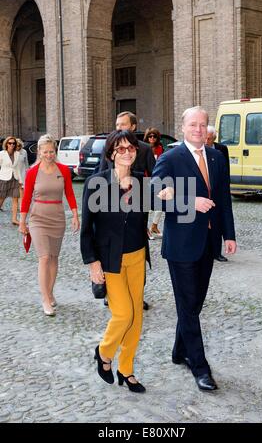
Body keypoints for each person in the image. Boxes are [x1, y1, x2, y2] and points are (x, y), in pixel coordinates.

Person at [151, 106, 237, 391]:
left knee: (193, 304)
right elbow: (155, 196)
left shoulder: (215, 156)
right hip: (181, 246)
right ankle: (199, 366)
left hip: (209, 243)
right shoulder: (171, 158)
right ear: (183, 127)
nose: (199, 130)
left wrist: (229, 235)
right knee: (188, 306)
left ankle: (179, 350)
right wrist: (190, 202)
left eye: (203, 125)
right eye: (193, 125)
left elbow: (223, 198)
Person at [81, 130, 149, 393]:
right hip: (110, 260)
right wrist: (93, 263)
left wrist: (170, 196)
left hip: (137, 256)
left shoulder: (142, 182)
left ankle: (127, 369)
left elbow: (155, 205)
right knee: (123, 314)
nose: (127, 152)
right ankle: (104, 352)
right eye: (120, 149)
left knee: (136, 320)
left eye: (131, 148)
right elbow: (87, 228)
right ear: (110, 153)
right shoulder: (96, 183)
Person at [99, 111, 155, 310]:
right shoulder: (110, 146)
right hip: (112, 210)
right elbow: (100, 177)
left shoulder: (145, 149)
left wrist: (145, 219)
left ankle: (137, 296)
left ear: (132, 127)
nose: (119, 127)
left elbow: (152, 182)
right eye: (116, 124)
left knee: (138, 254)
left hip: (136, 211)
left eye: (123, 124)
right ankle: (110, 293)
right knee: (111, 253)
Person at [19, 134, 80, 316]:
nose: (49, 155)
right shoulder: (32, 172)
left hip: (57, 217)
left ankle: (50, 292)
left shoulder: (63, 170)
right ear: (39, 152)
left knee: (54, 257)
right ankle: (45, 299)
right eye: (45, 152)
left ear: (55, 151)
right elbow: (27, 198)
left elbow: (69, 193)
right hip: (38, 218)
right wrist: (22, 221)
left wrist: (75, 216)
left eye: (51, 151)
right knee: (44, 257)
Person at [206, 125, 230, 262]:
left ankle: (217, 252)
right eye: (205, 138)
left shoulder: (221, 149)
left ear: (214, 139)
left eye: (209, 139)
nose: (206, 141)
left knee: (218, 221)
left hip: (217, 189)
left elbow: (225, 168)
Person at [144, 127, 163, 238]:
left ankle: (154, 226)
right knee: (147, 207)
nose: (152, 138)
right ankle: (145, 229)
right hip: (145, 179)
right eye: (150, 136)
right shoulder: (143, 148)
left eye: (154, 136)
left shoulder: (160, 148)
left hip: (157, 179)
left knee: (160, 204)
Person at [0, 136, 21, 224]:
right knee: (1, 198)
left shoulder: (17, 154)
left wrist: (20, 180)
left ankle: (14, 219)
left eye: (13, 143)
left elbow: (17, 167)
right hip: (4, 177)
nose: (12, 145)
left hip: (15, 178)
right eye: (10, 143)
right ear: (6, 144)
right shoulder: (1, 154)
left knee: (15, 198)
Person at [16, 138, 29, 202]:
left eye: (19, 145)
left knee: (22, 189)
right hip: (15, 173)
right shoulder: (12, 151)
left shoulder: (24, 151)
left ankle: (21, 205)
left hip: (23, 172)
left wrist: (28, 172)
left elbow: (26, 163)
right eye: (16, 145)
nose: (18, 147)